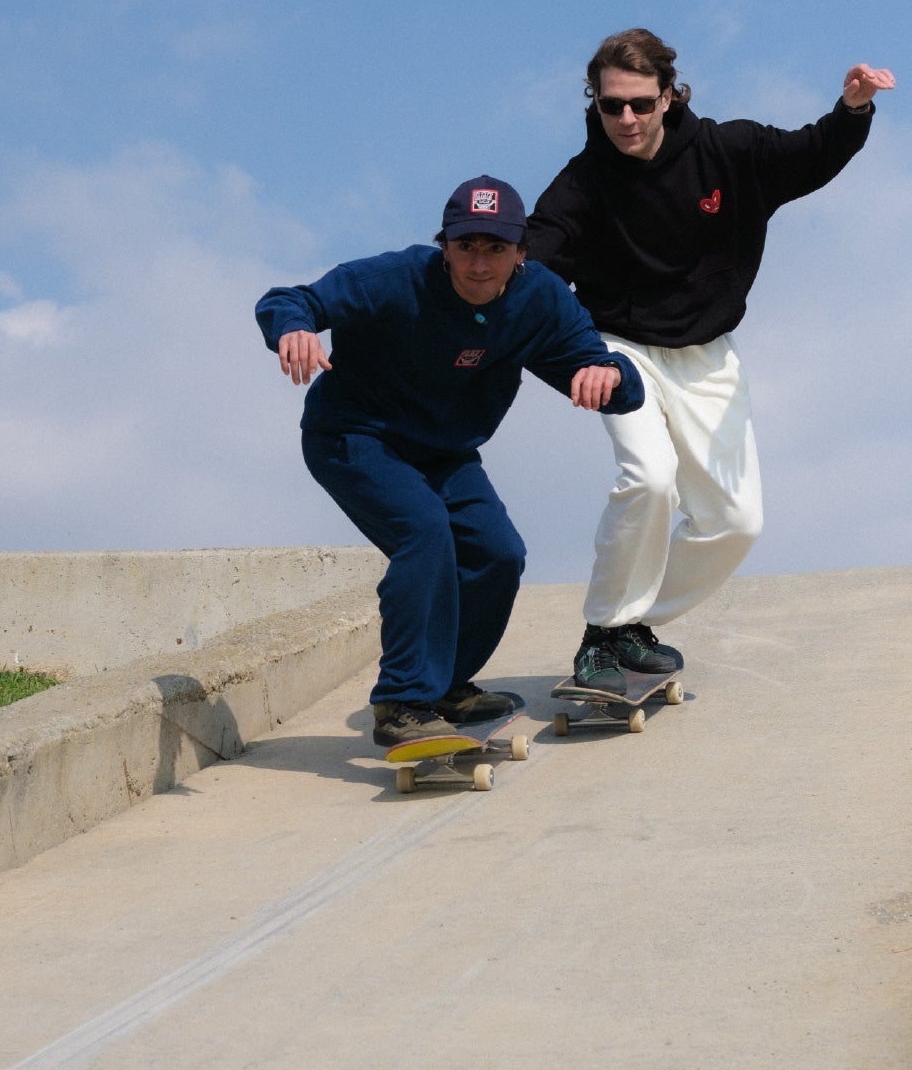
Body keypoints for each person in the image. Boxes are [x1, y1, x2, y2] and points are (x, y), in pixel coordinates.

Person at [524, 28, 895, 695]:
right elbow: (533, 273)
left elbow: (811, 152)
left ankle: (627, 627)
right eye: (611, 107)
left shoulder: (729, 151)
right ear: (595, 104)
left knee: (735, 522)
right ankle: (601, 629)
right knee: (649, 478)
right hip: (618, 349)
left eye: (640, 103)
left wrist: (853, 108)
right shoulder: (581, 185)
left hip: (705, 354)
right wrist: (557, 345)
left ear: (668, 95)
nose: (626, 120)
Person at [255, 176, 645, 747]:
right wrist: (293, 328)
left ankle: (443, 685)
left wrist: (610, 375)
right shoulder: (394, 279)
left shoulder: (540, 299)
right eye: (466, 247)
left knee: (497, 553)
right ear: (445, 247)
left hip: (445, 452)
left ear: (521, 253)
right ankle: (403, 702)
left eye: (495, 249)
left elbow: (603, 369)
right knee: (425, 534)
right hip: (355, 436)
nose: (479, 265)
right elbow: (291, 299)